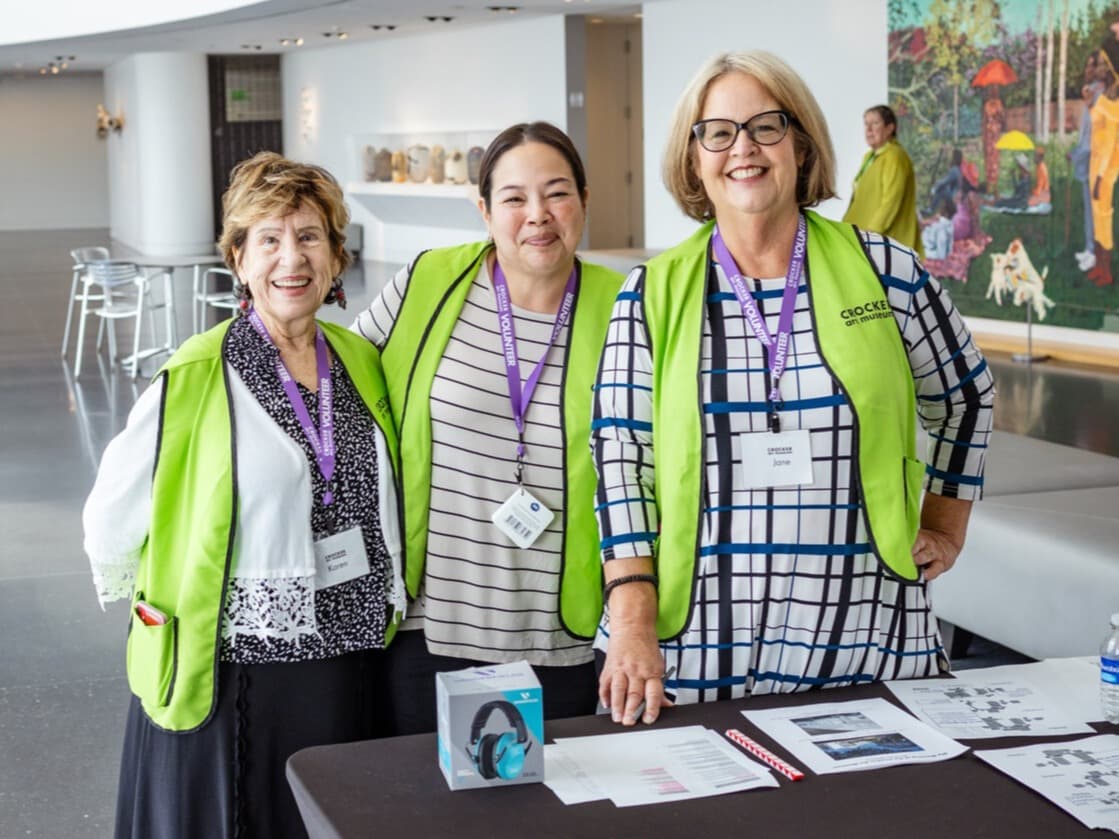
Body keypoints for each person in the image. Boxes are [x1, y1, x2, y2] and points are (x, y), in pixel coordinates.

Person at [592, 51, 995, 726]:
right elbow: (620, 462)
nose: (742, 148)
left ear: (801, 145)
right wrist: (631, 617)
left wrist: (943, 523)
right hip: (696, 646)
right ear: (693, 159)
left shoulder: (886, 272)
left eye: (765, 126)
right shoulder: (650, 295)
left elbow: (966, 395)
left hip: (864, 633)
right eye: (717, 132)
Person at [83, 151, 404, 839]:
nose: (292, 258)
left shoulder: (358, 360)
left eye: (310, 236)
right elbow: (112, 512)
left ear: (336, 256)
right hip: (243, 669)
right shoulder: (196, 373)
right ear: (238, 259)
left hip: (349, 657)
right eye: (269, 238)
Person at [352, 122, 624, 734]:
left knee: (554, 816)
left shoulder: (627, 305)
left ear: (583, 200)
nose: (538, 216)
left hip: (567, 634)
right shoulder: (429, 282)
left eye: (557, 193)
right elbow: (343, 380)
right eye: (514, 198)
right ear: (484, 209)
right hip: (432, 627)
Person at [842, 103, 924, 256]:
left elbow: (891, 201)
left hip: (881, 244)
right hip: (859, 239)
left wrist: (871, 235)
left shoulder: (894, 156)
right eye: (866, 124)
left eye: (875, 123)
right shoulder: (869, 157)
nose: (868, 130)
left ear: (889, 128)